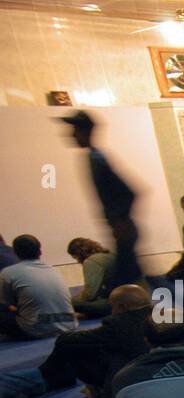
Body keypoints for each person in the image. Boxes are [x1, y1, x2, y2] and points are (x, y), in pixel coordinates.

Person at [0, 283, 152, 398]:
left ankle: (49, 377)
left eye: (113, 307)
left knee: (72, 347)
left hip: (126, 392)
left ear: (122, 308)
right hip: (148, 385)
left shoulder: (119, 325)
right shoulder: (163, 319)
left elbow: (69, 339)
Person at [59, 110, 140, 288]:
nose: (71, 134)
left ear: (86, 131)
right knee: (132, 278)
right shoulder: (94, 157)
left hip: (123, 227)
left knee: (128, 281)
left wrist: (120, 220)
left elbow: (129, 192)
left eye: (75, 129)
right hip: (122, 227)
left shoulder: (97, 159)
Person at [0, 235, 76, 339]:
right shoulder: (53, 269)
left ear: (15, 252)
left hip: (36, 329)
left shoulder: (8, 272)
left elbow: (6, 303)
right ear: (40, 251)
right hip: (69, 324)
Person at [67, 237, 116, 318]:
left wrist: (75, 298)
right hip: (130, 300)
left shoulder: (91, 262)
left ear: (78, 254)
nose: (77, 261)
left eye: (75, 257)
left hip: (114, 304)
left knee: (68, 302)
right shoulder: (109, 255)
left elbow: (89, 295)